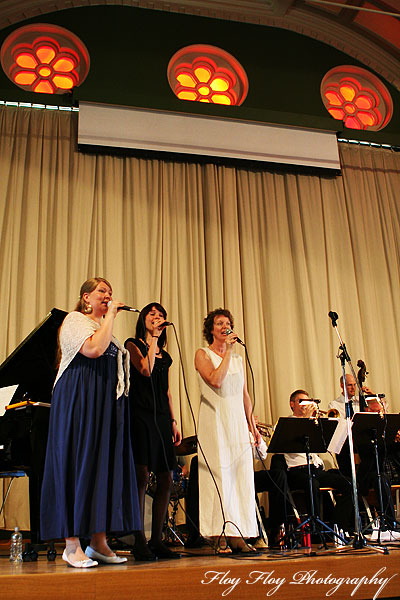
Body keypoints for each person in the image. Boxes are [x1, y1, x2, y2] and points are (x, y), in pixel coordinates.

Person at [40, 277, 140, 567]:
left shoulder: (105, 329)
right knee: (75, 463)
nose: (108, 296)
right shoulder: (74, 320)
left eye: (110, 292)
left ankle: (98, 542)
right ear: (86, 298)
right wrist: (110, 316)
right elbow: (93, 350)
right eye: (101, 292)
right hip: (78, 401)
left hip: (101, 406)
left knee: (100, 467)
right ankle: (72, 545)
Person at [195, 308, 260, 553]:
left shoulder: (239, 361)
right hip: (215, 422)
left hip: (236, 424)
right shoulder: (202, 354)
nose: (225, 326)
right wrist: (228, 351)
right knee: (219, 477)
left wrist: (252, 426)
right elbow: (216, 380)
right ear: (211, 329)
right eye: (219, 323)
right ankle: (219, 535)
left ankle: (238, 534)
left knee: (240, 477)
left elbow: (244, 396)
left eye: (228, 323)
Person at [125, 303, 182, 560]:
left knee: (166, 477)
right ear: (143, 319)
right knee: (141, 475)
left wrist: (173, 420)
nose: (157, 318)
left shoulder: (165, 355)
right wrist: (152, 340)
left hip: (160, 418)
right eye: (152, 314)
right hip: (140, 415)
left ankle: (157, 539)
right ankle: (138, 540)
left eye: (161, 315)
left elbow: (166, 390)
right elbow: (146, 371)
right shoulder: (132, 344)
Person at [283, 389, 354, 534]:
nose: (306, 405)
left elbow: (328, 445)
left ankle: (338, 527)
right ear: (292, 404)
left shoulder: (314, 423)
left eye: (308, 402)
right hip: (298, 471)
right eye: (301, 402)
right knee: (311, 483)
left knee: (349, 484)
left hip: (316, 470)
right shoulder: (288, 423)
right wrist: (307, 420)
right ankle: (315, 530)